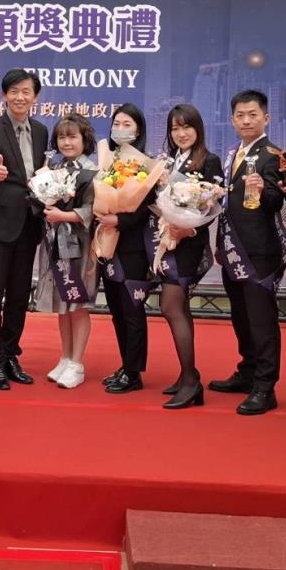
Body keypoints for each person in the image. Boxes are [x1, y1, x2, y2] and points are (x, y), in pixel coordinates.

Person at [209, 90, 286, 416]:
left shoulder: (273, 154)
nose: (246, 120)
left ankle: (265, 386)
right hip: (232, 247)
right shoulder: (232, 154)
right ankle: (247, 371)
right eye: (240, 115)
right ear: (232, 120)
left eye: (252, 114)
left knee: (261, 321)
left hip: (259, 251)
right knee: (241, 317)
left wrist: (263, 190)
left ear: (266, 118)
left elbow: (279, 201)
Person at [0, 69, 48, 391]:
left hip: (29, 224)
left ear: (35, 96)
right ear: (4, 95)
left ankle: (9, 354)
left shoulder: (42, 131)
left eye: (26, 91)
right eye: (14, 91)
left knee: (19, 297)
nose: (20, 97)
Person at [154, 104, 224, 410]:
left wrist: (189, 230)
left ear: (198, 129)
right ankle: (187, 375)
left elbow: (211, 208)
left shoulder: (210, 160)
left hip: (190, 245)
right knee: (178, 307)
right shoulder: (169, 161)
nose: (181, 133)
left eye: (186, 127)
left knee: (170, 307)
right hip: (170, 241)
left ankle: (191, 382)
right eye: (175, 128)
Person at [36, 115, 99, 390]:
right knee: (63, 304)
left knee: (78, 305)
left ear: (85, 140)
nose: (67, 142)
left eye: (72, 136)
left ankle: (77, 363)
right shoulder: (53, 168)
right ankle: (65, 357)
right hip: (56, 243)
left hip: (81, 247)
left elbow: (94, 211)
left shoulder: (94, 171)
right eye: (61, 137)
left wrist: (64, 215)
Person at [99, 104, 154, 395]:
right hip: (109, 245)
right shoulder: (107, 161)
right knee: (117, 310)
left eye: (127, 124)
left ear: (139, 129)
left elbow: (147, 209)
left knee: (132, 310)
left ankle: (134, 372)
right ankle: (125, 365)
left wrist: (119, 220)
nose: (120, 129)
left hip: (133, 249)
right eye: (116, 123)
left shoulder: (147, 166)